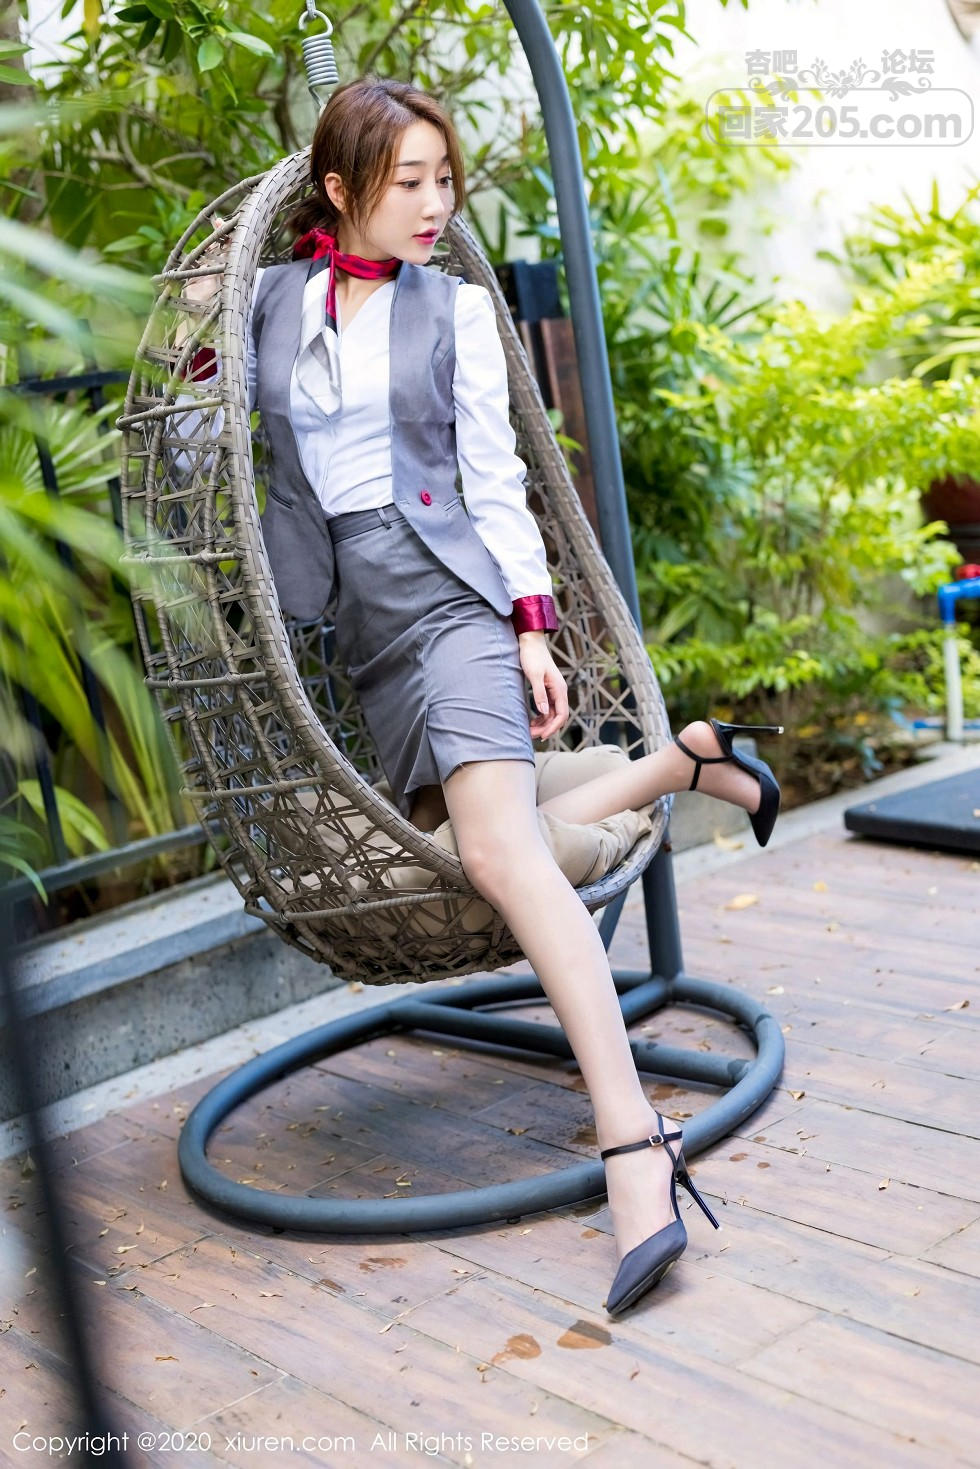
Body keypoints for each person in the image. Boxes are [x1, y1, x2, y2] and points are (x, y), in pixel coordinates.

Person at [181, 75, 782, 1318]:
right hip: (359, 627)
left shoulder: (453, 307)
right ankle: (678, 762)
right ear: (338, 188)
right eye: (406, 181)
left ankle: (633, 1142)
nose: (433, 204)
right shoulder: (272, 300)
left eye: (443, 179)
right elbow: (205, 430)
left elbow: (493, 476)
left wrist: (529, 623)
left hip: (450, 597)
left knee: (501, 856)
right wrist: (195, 318)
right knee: (465, 845)